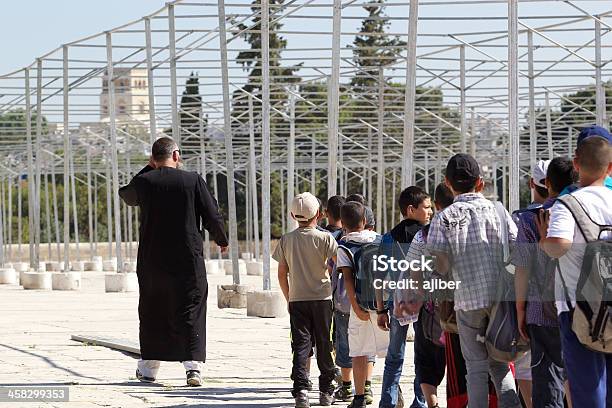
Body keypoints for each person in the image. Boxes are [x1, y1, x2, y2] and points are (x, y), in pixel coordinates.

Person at [118, 137, 229, 386]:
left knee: (152, 309)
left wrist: (149, 168)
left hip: (153, 260)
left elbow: (126, 195)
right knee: (191, 307)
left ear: (153, 159)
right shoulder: (192, 180)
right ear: (176, 155)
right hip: (187, 258)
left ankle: (148, 369)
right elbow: (211, 212)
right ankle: (192, 368)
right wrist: (221, 238)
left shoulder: (145, 182)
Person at [427, 153, 521, 408]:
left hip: (467, 301)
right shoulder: (499, 212)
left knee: (476, 367)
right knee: (500, 363)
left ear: (447, 183)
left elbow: (440, 266)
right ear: (481, 182)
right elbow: (517, 253)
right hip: (500, 301)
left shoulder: (443, 218)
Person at [539, 136, 612, 407]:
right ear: (611, 168)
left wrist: (544, 238)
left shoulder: (567, 205)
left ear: (576, 164)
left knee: (588, 387)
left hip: (578, 309)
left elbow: (558, 246)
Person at [513, 157, 576, 408]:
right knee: (581, 376)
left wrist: (520, 309)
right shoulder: (583, 213)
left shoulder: (528, 220)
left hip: (540, 311)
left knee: (546, 376)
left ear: (546, 183)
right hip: (580, 308)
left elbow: (522, 269)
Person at [274, 192, 338, 408]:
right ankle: (326, 390)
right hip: (322, 299)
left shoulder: (286, 240)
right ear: (319, 215)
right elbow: (339, 263)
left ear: (293, 215)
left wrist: (289, 298)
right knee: (325, 343)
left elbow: (282, 273)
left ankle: (301, 390)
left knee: (301, 345)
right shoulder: (325, 238)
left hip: (298, 300)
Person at [378, 186, 432, 408]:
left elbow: (379, 278)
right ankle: (420, 402)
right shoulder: (427, 236)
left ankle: (387, 403)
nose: (430, 212)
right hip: (423, 303)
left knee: (393, 357)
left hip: (396, 303)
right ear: (411, 209)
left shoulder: (388, 238)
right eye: (426, 207)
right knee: (423, 355)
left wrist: (381, 309)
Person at [337, 201, 388, 408]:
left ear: (344, 224)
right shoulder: (382, 241)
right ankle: (394, 391)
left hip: (360, 305)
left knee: (358, 352)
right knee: (390, 351)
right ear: (366, 221)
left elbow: (348, 279)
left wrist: (356, 307)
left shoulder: (345, 245)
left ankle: (359, 398)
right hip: (383, 305)